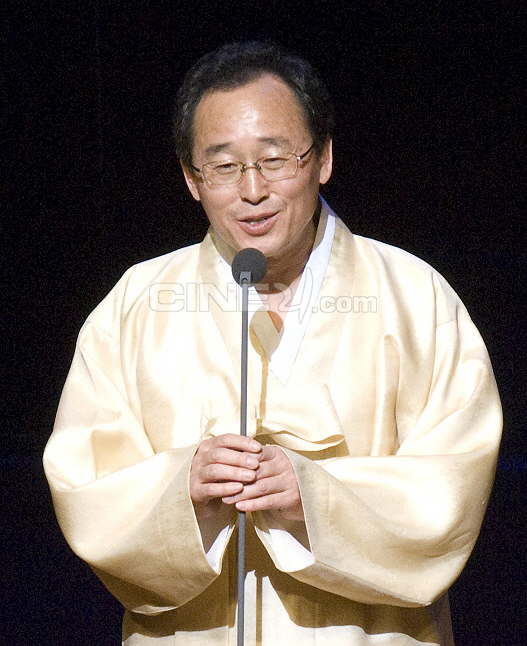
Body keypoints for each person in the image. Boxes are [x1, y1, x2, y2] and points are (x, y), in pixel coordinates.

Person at [43, 42, 502, 645]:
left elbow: (450, 490)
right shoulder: (135, 305)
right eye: (224, 167)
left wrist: (316, 498)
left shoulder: (416, 298)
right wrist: (183, 491)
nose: (252, 189)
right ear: (191, 179)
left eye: (275, 159)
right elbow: (86, 488)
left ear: (323, 158)